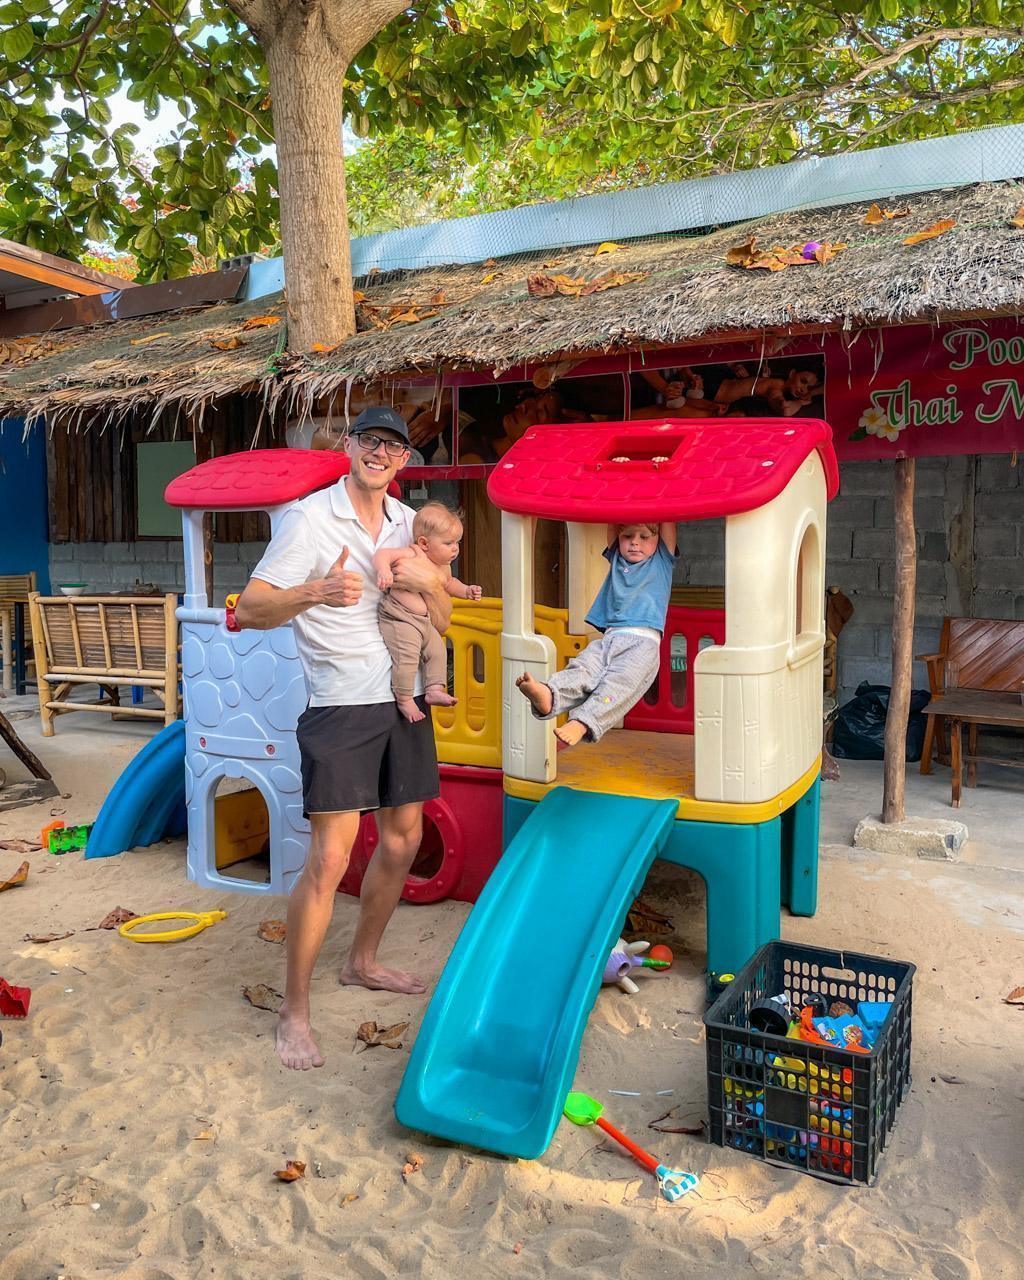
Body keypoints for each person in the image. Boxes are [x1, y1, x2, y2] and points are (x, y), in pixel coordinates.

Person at [232, 406, 452, 1071]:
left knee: (404, 838)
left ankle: (361, 961)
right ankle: (294, 1011)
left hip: (401, 700)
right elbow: (248, 607)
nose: (380, 454)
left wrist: (428, 584)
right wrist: (317, 590)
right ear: (350, 446)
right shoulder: (308, 517)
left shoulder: (412, 525)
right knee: (330, 859)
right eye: (370, 441)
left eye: (394, 446)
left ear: (405, 460)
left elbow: (442, 613)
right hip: (338, 703)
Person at [516, 520, 678, 748]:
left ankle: (583, 721)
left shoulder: (661, 561)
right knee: (583, 669)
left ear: (657, 539)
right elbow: (611, 519)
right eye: (628, 536)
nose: (634, 543)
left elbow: (669, 521)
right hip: (610, 638)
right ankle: (550, 694)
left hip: (644, 643)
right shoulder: (617, 560)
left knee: (617, 686)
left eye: (644, 537)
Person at [373, 501, 482, 724]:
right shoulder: (413, 554)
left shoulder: (443, 567)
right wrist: (384, 570)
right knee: (408, 657)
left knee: (439, 652)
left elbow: (449, 584)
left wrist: (466, 590)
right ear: (423, 543)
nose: (455, 548)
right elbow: (382, 555)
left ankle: (434, 689)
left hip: (424, 622)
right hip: (400, 618)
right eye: (448, 543)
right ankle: (404, 698)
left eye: (458, 543)